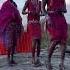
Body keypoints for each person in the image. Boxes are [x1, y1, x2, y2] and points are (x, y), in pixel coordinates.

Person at [42, 0, 68, 70]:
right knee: (55, 39)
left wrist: (62, 9)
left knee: (63, 40)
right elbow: (42, 8)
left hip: (61, 18)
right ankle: (48, 61)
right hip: (51, 17)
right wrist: (47, 17)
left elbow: (65, 10)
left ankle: (61, 63)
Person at [0, 0, 22, 65]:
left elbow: (17, 14)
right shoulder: (5, 4)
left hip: (15, 26)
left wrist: (19, 23)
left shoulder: (14, 4)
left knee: (14, 44)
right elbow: (2, 15)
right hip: (8, 27)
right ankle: (8, 59)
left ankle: (12, 59)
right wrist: (10, 16)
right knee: (10, 44)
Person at [22, 0, 42, 66]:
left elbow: (42, 12)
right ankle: (33, 59)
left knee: (39, 41)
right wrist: (29, 11)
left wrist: (39, 13)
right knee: (34, 40)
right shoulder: (28, 1)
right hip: (31, 23)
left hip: (38, 23)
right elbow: (23, 11)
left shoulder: (39, 2)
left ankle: (38, 59)